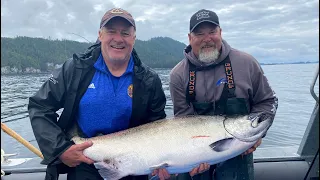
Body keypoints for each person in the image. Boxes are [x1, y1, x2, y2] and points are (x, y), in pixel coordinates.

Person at [28, 8, 167, 180]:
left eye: (125, 33)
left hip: (133, 162)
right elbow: (40, 106)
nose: (118, 39)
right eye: (111, 31)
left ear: (134, 38)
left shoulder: (149, 79)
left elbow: (158, 126)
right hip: (85, 160)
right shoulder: (75, 69)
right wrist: (60, 149)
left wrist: (161, 159)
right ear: (100, 35)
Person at [168, 9, 279, 180]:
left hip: (239, 156)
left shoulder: (247, 63)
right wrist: (193, 157)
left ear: (220, 32)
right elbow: (182, 122)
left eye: (212, 32)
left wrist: (258, 133)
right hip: (197, 160)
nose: (207, 39)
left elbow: (268, 101)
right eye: (199, 34)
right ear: (190, 38)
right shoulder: (178, 75)